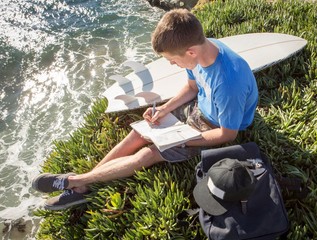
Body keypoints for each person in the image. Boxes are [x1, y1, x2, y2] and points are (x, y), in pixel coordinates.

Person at [32, 8, 258, 210]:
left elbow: (228, 134)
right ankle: (82, 183)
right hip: (199, 110)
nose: (171, 64)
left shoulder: (229, 82)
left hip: (214, 126)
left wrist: (182, 140)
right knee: (140, 132)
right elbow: (192, 87)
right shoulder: (201, 51)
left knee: (149, 153)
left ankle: (76, 182)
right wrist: (164, 108)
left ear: (190, 52)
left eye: (172, 60)